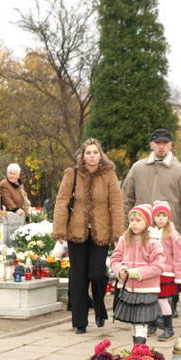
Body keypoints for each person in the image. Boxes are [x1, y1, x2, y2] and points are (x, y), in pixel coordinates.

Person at [121, 128, 181, 316]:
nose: (161, 147)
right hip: (142, 230)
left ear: (171, 145)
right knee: (145, 268)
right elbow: (126, 199)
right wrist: (122, 227)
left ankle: (170, 308)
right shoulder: (138, 168)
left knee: (168, 270)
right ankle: (147, 308)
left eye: (165, 143)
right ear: (152, 145)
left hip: (169, 231)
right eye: (158, 143)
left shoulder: (180, 171)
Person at [53, 138, 124, 334]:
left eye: (95, 152)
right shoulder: (72, 174)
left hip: (101, 231)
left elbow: (116, 204)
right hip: (77, 231)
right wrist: (59, 229)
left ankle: (100, 307)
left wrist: (118, 232)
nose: (92, 156)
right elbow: (61, 201)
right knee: (78, 276)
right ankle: (80, 321)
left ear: (100, 155)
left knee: (97, 273)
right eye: (88, 153)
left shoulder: (109, 174)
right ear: (82, 156)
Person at [110, 204, 165, 345]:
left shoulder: (153, 242)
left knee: (141, 322)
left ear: (147, 222)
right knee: (134, 322)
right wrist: (120, 271)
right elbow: (115, 259)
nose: (134, 223)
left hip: (146, 289)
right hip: (128, 288)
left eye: (138, 220)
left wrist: (136, 273)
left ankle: (140, 350)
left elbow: (158, 267)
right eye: (131, 220)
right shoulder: (124, 239)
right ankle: (137, 350)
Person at [150, 201, 181, 340]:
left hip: (166, 272)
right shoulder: (150, 233)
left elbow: (179, 257)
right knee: (151, 300)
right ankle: (152, 324)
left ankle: (168, 328)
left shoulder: (173, 235)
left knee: (163, 301)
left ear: (168, 217)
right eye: (158, 216)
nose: (161, 219)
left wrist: (180, 276)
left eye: (164, 216)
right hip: (152, 272)